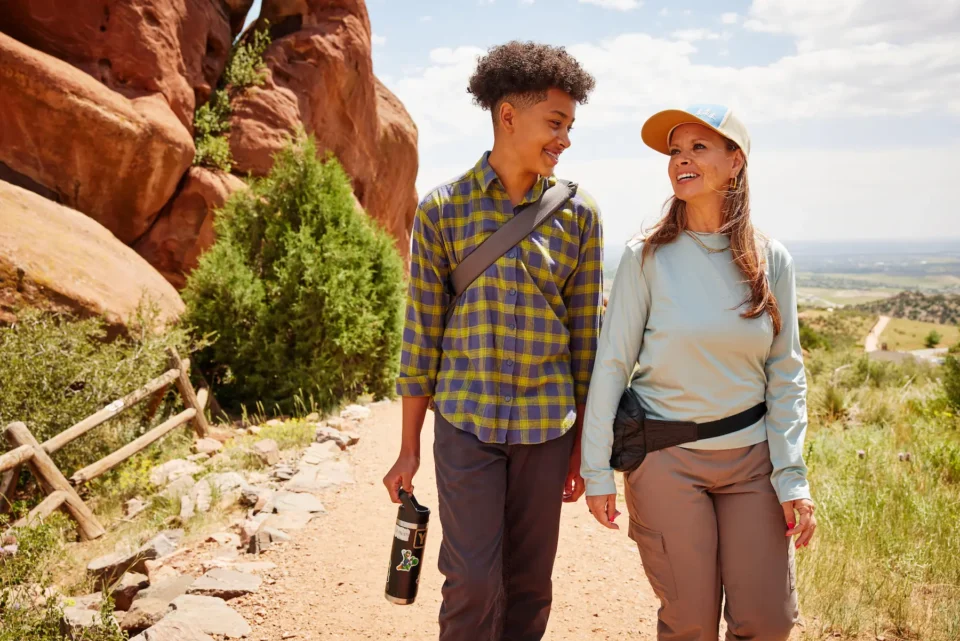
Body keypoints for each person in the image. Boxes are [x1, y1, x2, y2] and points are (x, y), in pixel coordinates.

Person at [383, 41, 604, 640]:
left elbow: (586, 342)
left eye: (570, 126)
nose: (564, 138)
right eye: (555, 123)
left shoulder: (580, 216)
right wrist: (408, 448)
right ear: (509, 115)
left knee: (530, 585)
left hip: (546, 429)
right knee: (472, 580)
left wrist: (583, 442)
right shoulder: (441, 212)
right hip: (465, 424)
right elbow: (421, 336)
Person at [580, 104, 817, 641]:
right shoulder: (645, 258)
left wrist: (792, 476)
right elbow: (612, 364)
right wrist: (597, 469)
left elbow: (786, 372)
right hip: (666, 461)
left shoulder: (771, 259)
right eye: (674, 151)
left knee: (768, 621)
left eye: (698, 148)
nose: (681, 160)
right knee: (689, 623)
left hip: (753, 462)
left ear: (735, 163)